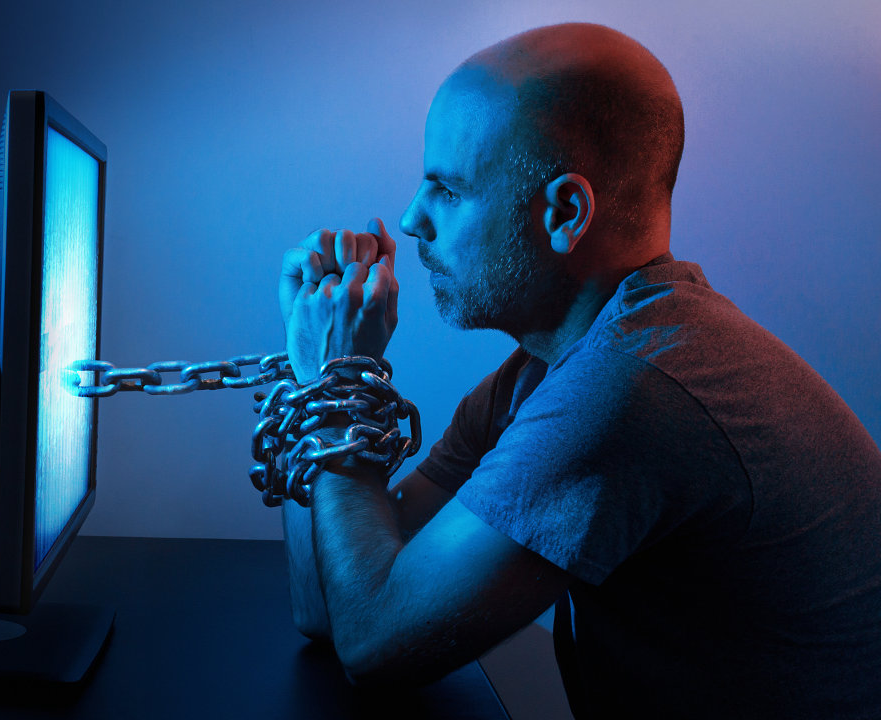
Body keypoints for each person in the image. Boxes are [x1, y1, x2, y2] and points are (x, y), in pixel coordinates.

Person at [277, 22, 881, 719]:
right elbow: (329, 607)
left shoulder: (633, 386)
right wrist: (311, 377)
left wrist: (342, 382)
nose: (411, 220)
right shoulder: (549, 371)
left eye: (447, 189)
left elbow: (373, 640)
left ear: (565, 212)